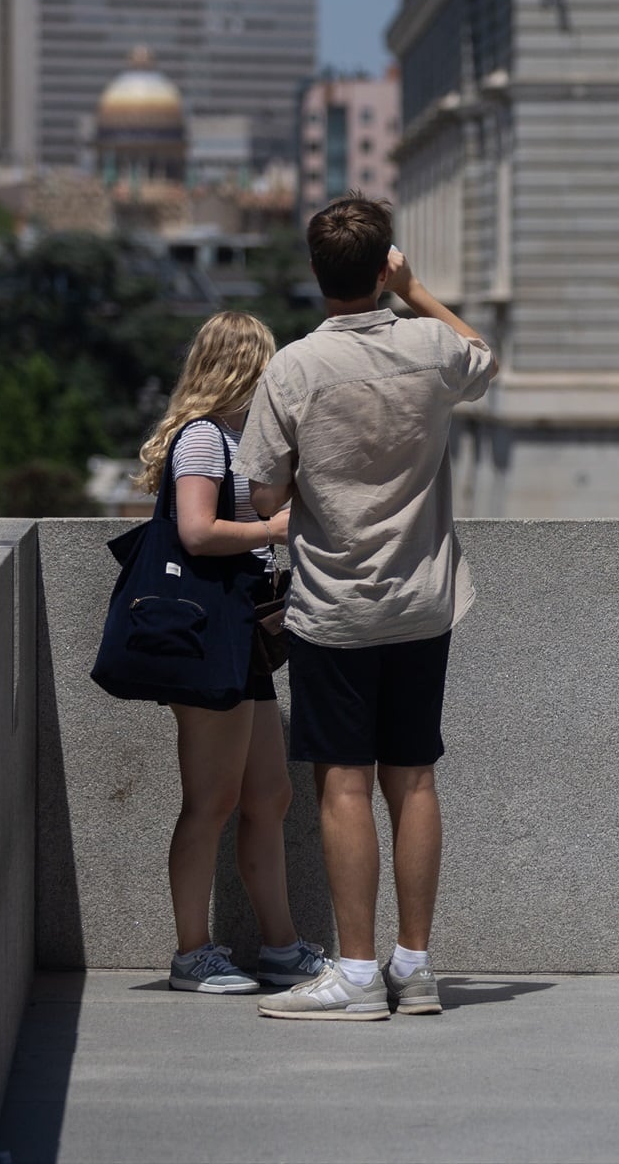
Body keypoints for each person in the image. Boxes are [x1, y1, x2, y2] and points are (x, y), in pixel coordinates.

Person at [236, 195, 498, 1021]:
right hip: (423, 599)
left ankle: (355, 973)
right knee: (413, 776)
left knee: (343, 782)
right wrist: (417, 292)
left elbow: (263, 489)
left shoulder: (293, 369)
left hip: (336, 603)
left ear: (317, 274)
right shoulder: (428, 348)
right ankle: (413, 968)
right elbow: (483, 357)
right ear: (385, 263)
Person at [130, 311, 324, 994]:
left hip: (237, 637)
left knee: (267, 795)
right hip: (206, 636)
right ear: (244, 367)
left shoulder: (238, 440)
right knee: (209, 800)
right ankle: (192, 953)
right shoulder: (205, 441)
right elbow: (194, 530)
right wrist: (271, 526)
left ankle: (280, 946)